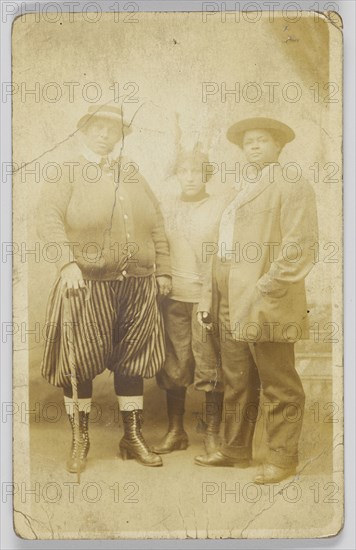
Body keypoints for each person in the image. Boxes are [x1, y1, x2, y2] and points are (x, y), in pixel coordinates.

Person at [37, 104, 172, 472]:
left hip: (138, 284)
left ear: (120, 136)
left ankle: (132, 437)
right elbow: (48, 219)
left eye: (111, 130)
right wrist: (66, 263)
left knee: (132, 360)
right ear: (85, 130)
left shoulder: (131, 173)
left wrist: (164, 271)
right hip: (86, 283)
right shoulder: (67, 172)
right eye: (97, 127)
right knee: (77, 362)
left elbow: (156, 223)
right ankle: (80, 440)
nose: (104, 134)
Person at [194, 117, 318, 484]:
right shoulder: (240, 189)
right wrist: (210, 293)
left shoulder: (292, 184)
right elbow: (221, 249)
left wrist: (266, 287)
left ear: (279, 147)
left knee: (279, 383)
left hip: (267, 298)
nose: (253, 146)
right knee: (237, 377)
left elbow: (300, 247)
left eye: (262, 140)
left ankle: (282, 459)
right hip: (229, 294)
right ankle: (234, 449)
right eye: (248, 141)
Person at [153, 145, 233, 456]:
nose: (189, 177)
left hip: (206, 299)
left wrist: (209, 297)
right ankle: (176, 431)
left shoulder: (219, 207)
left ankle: (212, 434)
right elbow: (158, 244)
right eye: (183, 171)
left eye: (195, 172)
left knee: (210, 364)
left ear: (206, 175)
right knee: (175, 364)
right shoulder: (166, 207)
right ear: (176, 175)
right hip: (173, 298)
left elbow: (224, 253)